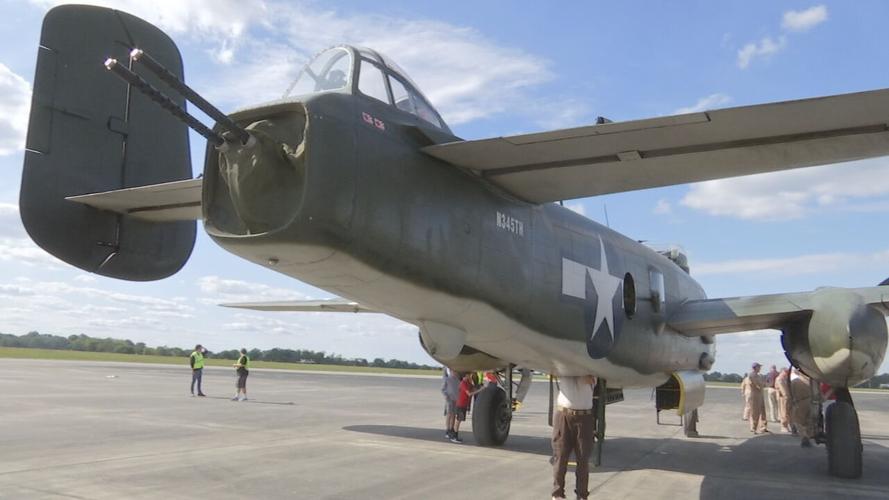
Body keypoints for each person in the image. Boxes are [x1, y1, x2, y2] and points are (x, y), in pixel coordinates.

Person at [552, 375, 596, 500]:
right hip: (564, 415)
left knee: (583, 459)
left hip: (584, 417)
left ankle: (582, 495)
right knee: (560, 456)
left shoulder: (590, 369)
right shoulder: (565, 368)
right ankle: (557, 494)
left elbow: (589, 379)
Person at [451, 372, 483, 443]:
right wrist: (480, 390)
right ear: (466, 375)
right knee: (458, 420)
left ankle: (454, 435)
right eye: (469, 375)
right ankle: (454, 436)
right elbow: (469, 393)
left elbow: (473, 388)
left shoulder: (468, 383)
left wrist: (479, 386)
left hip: (464, 404)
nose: (470, 376)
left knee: (459, 420)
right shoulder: (463, 383)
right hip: (461, 404)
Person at [790, 368, 815, 447]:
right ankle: (808, 435)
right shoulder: (810, 381)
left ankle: (804, 436)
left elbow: (791, 393)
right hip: (811, 401)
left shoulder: (794, 382)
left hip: (800, 402)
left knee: (798, 421)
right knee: (809, 420)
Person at [747, 362, 768, 434]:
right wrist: (762, 384)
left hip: (760, 395)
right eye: (759, 367)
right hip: (755, 395)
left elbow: (763, 384)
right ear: (755, 368)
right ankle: (754, 427)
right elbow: (757, 385)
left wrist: (763, 384)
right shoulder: (752, 375)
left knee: (763, 411)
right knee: (755, 412)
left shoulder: (759, 375)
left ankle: (763, 427)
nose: (760, 368)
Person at [441, 368, 460, 440]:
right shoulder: (447, 379)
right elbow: (442, 389)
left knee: (453, 415)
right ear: (451, 372)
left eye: (456, 372)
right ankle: (447, 430)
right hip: (449, 400)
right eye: (454, 371)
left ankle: (451, 428)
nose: (455, 373)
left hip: (456, 400)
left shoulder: (457, 380)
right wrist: (446, 397)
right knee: (449, 415)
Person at [775, 367, 792, 432]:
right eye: (785, 372)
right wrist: (786, 396)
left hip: (787, 397)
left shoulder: (785, 378)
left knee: (788, 412)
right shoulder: (779, 379)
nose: (786, 373)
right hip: (782, 398)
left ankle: (789, 425)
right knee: (783, 412)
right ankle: (784, 426)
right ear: (782, 372)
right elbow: (782, 389)